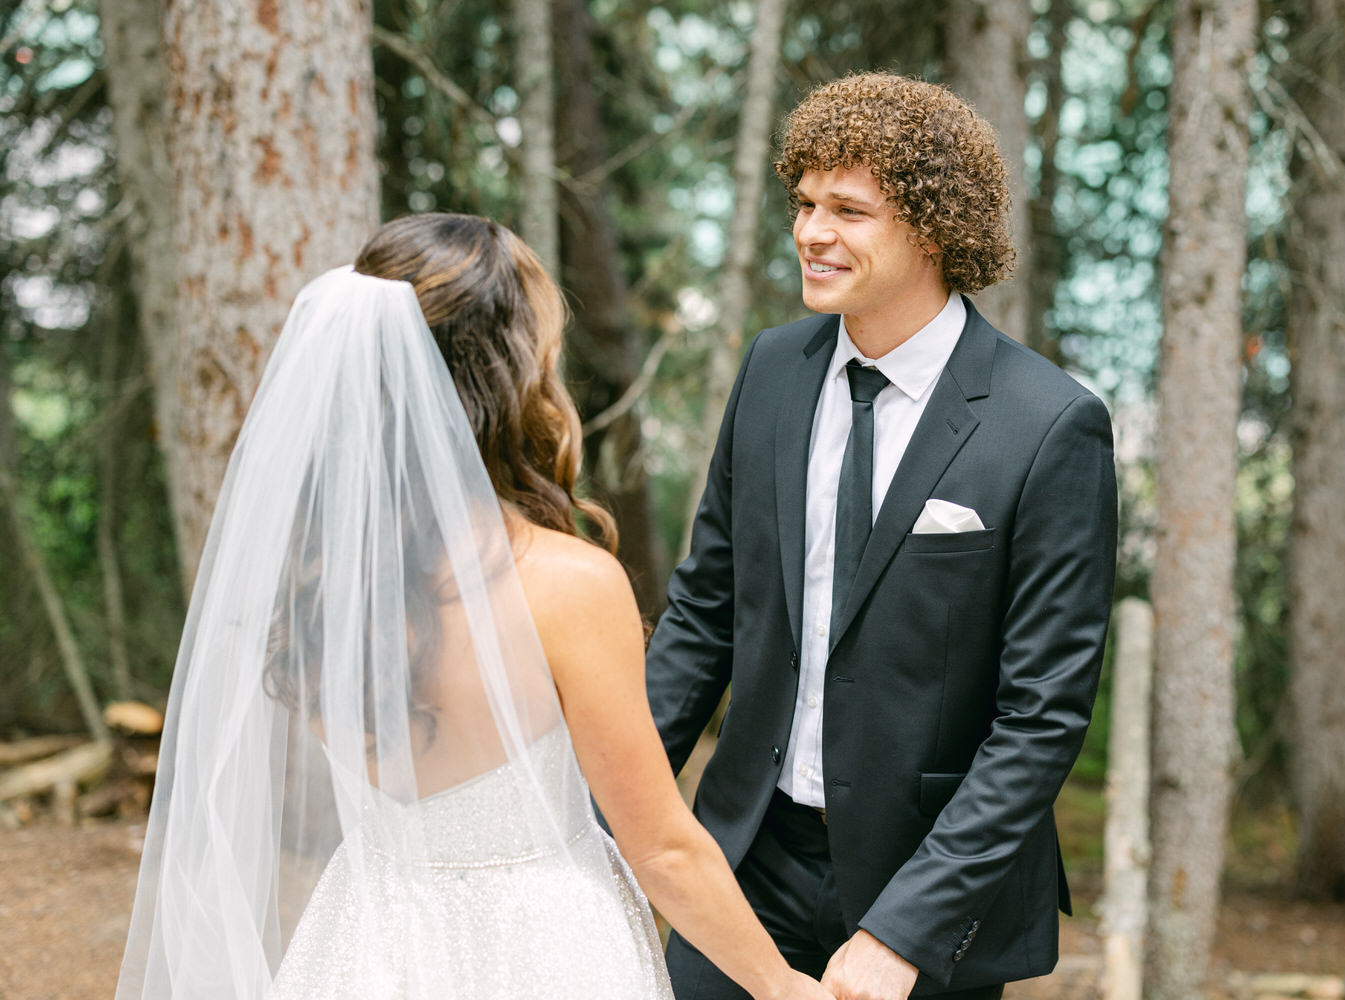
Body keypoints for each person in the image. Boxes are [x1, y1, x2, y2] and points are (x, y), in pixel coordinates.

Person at [114, 214, 833, 1000]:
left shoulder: (317, 572)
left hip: (367, 934)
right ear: (509, 371)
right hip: (542, 948)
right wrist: (781, 986)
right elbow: (660, 845)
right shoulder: (566, 583)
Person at [646, 73, 1118, 1000]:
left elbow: (1040, 717)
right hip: (746, 861)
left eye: (849, 211)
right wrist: (603, 810)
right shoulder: (773, 370)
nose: (812, 232)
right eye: (806, 203)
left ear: (935, 227)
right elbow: (704, 614)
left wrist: (905, 929)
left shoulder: (1051, 425)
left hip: (932, 892)